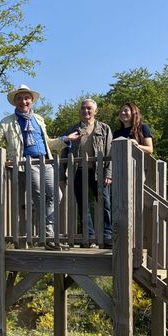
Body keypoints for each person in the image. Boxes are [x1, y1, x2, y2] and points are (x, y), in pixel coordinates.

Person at [0, 84, 76, 251]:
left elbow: (48, 143)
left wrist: (65, 138)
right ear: (14, 102)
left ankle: (47, 235)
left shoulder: (39, 119)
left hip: (45, 162)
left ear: (31, 101)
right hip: (26, 163)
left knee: (57, 195)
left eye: (26, 98)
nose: (23, 101)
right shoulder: (7, 122)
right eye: (19, 98)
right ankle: (48, 237)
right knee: (39, 197)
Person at [63, 99, 113, 248]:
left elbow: (110, 152)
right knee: (83, 205)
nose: (86, 111)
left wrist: (108, 173)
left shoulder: (104, 128)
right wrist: (62, 175)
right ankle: (88, 236)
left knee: (105, 203)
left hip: (98, 171)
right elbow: (64, 152)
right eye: (83, 108)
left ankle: (107, 236)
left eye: (89, 108)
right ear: (80, 111)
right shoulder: (72, 130)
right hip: (78, 171)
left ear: (95, 111)